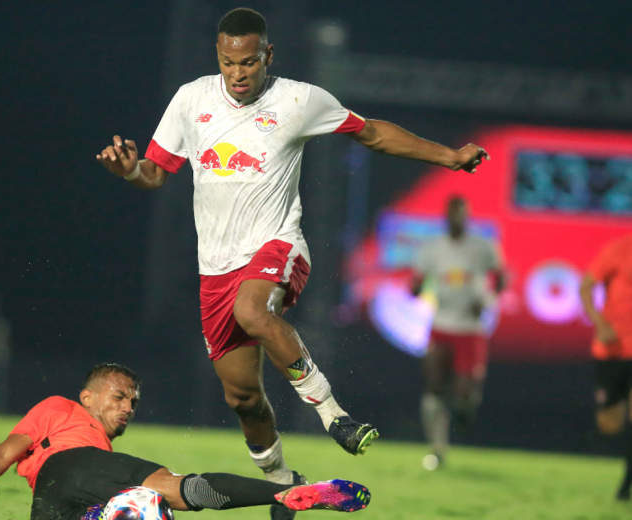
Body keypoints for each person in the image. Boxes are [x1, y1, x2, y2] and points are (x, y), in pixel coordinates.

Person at [95, 8, 488, 517]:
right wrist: (130, 172)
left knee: (253, 312)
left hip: (276, 245)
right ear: (218, 54)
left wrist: (449, 157)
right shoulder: (192, 99)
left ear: (268, 56)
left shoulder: (299, 100)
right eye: (229, 61)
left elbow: (371, 133)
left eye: (249, 62)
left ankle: (335, 416)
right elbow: (155, 173)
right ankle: (285, 486)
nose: (238, 73)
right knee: (244, 401)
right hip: (214, 270)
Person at [0, 363, 371, 520]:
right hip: (74, 467)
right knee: (180, 489)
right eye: (119, 397)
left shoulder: (93, 439)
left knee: (144, 502)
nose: (128, 407)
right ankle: (284, 492)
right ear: (87, 396)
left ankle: (119, 511)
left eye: (134, 402)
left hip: (50, 502)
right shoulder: (62, 410)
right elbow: (2, 453)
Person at [410, 196, 504, 469]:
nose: (456, 220)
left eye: (461, 215)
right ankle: (436, 449)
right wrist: (414, 288)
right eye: (452, 215)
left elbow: (501, 277)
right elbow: (417, 280)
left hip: (470, 329)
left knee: (463, 392)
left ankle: (466, 408)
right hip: (441, 325)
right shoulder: (433, 248)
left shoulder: (482, 247)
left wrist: (487, 301)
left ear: (467, 216)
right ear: (446, 217)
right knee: (434, 386)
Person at [579, 234, 632, 501]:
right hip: (612, 349)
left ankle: (626, 483)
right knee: (609, 425)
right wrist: (600, 324)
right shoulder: (618, 250)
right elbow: (585, 287)